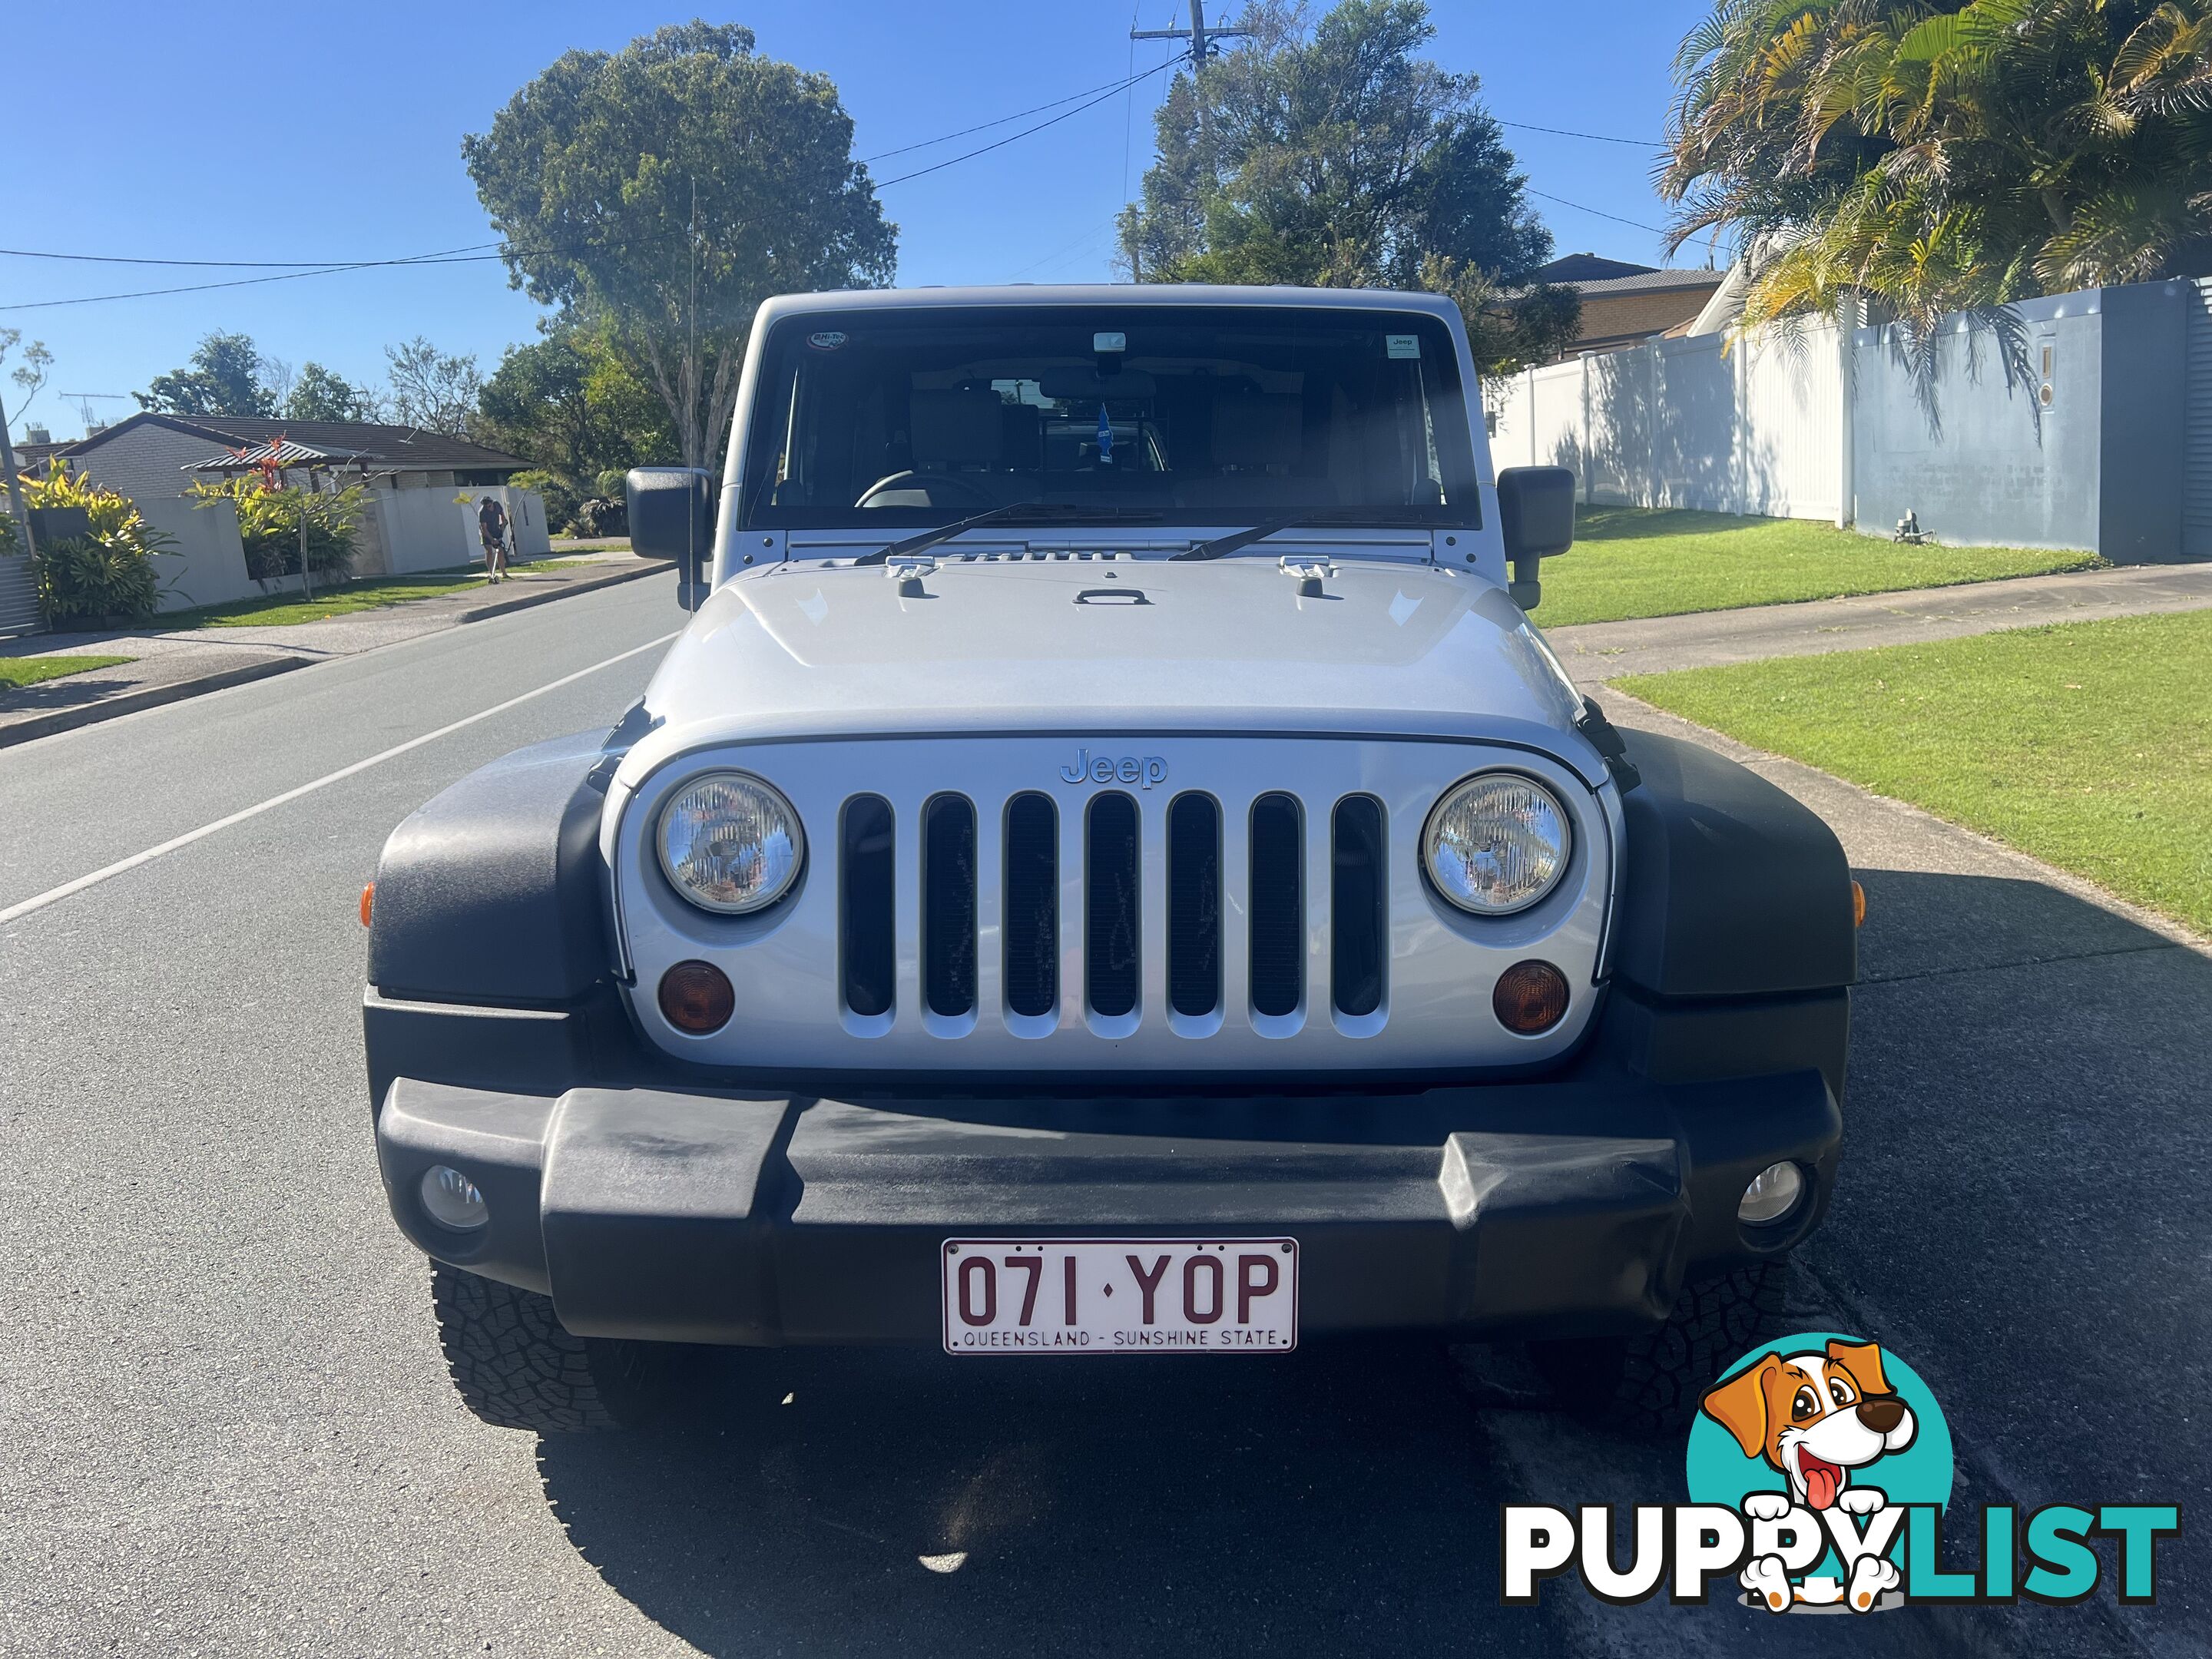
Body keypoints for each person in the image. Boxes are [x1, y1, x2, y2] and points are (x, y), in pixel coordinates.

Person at [475, 494, 511, 583]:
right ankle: (492, 573)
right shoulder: (482, 512)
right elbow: (484, 528)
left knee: (500, 550)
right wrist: (492, 540)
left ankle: (504, 572)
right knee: (489, 551)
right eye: (486, 506)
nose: (488, 507)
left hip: (496, 530)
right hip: (486, 533)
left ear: (492, 503)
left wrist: (503, 525)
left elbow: (502, 516)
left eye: (489, 505)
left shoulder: (497, 504)